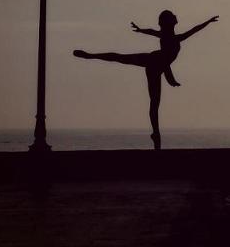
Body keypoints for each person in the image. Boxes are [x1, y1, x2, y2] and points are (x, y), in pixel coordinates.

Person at [73, 11, 219, 149]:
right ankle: (156, 134)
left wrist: (140, 30)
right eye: (173, 16)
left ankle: (156, 133)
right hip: (155, 64)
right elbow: (191, 32)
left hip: (155, 63)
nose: (176, 16)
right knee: (150, 98)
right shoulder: (170, 37)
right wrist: (170, 79)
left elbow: (167, 36)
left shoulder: (167, 36)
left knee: (122, 59)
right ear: (170, 22)